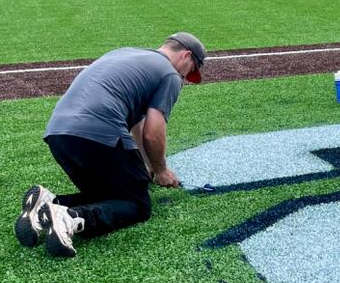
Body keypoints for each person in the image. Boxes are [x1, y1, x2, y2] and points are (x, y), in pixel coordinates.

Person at [15, 33, 206, 258]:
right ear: (186, 55)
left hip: (59, 134)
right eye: (189, 72)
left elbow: (137, 124)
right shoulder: (169, 74)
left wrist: (146, 167)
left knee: (108, 196)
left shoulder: (125, 53)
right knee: (138, 205)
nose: (184, 79)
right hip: (98, 132)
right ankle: (69, 217)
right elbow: (153, 133)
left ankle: (47, 204)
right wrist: (162, 170)